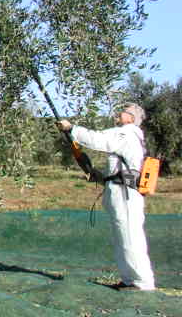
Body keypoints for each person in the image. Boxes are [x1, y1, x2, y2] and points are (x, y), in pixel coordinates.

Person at [57, 103, 155, 291]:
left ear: (131, 117)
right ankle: (129, 280)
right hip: (119, 190)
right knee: (122, 238)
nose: (118, 114)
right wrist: (101, 176)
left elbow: (98, 139)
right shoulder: (127, 135)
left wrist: (72, 128)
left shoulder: (127, 132)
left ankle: (142, 283)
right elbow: (120, 170)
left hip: (125, 195)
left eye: (123, 111)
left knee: (130, 237)